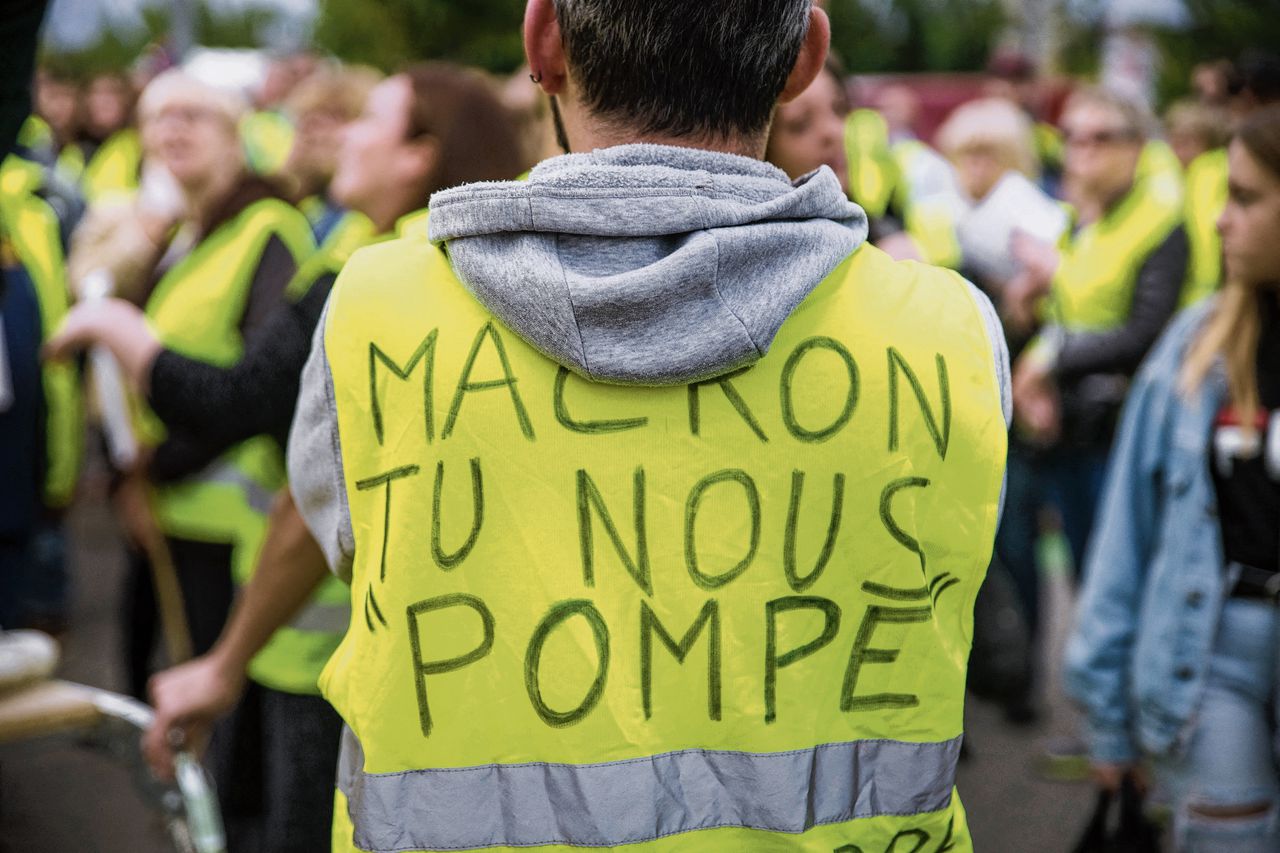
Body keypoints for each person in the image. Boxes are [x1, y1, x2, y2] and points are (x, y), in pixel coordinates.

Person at [290, 1, 1008, 849]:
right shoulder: (948, 332)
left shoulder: (378, 312)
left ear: (544, 41)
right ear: (807, 55)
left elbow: (349, 540)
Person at [50, 62, 525, 853]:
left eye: (368, 118)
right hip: (382, 640)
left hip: (329, 639)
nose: (343, 134)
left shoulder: (376, 279)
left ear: (419, 154)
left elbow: (274, 442)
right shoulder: (437, 260)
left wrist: (119, 332)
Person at [1065, 103, 1280, 852]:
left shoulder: (1150, 219)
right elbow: (1129, 538)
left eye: (1247, 198)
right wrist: (1109, 718)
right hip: (1214, 646)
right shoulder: (1197, 344)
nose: (1222, 219)